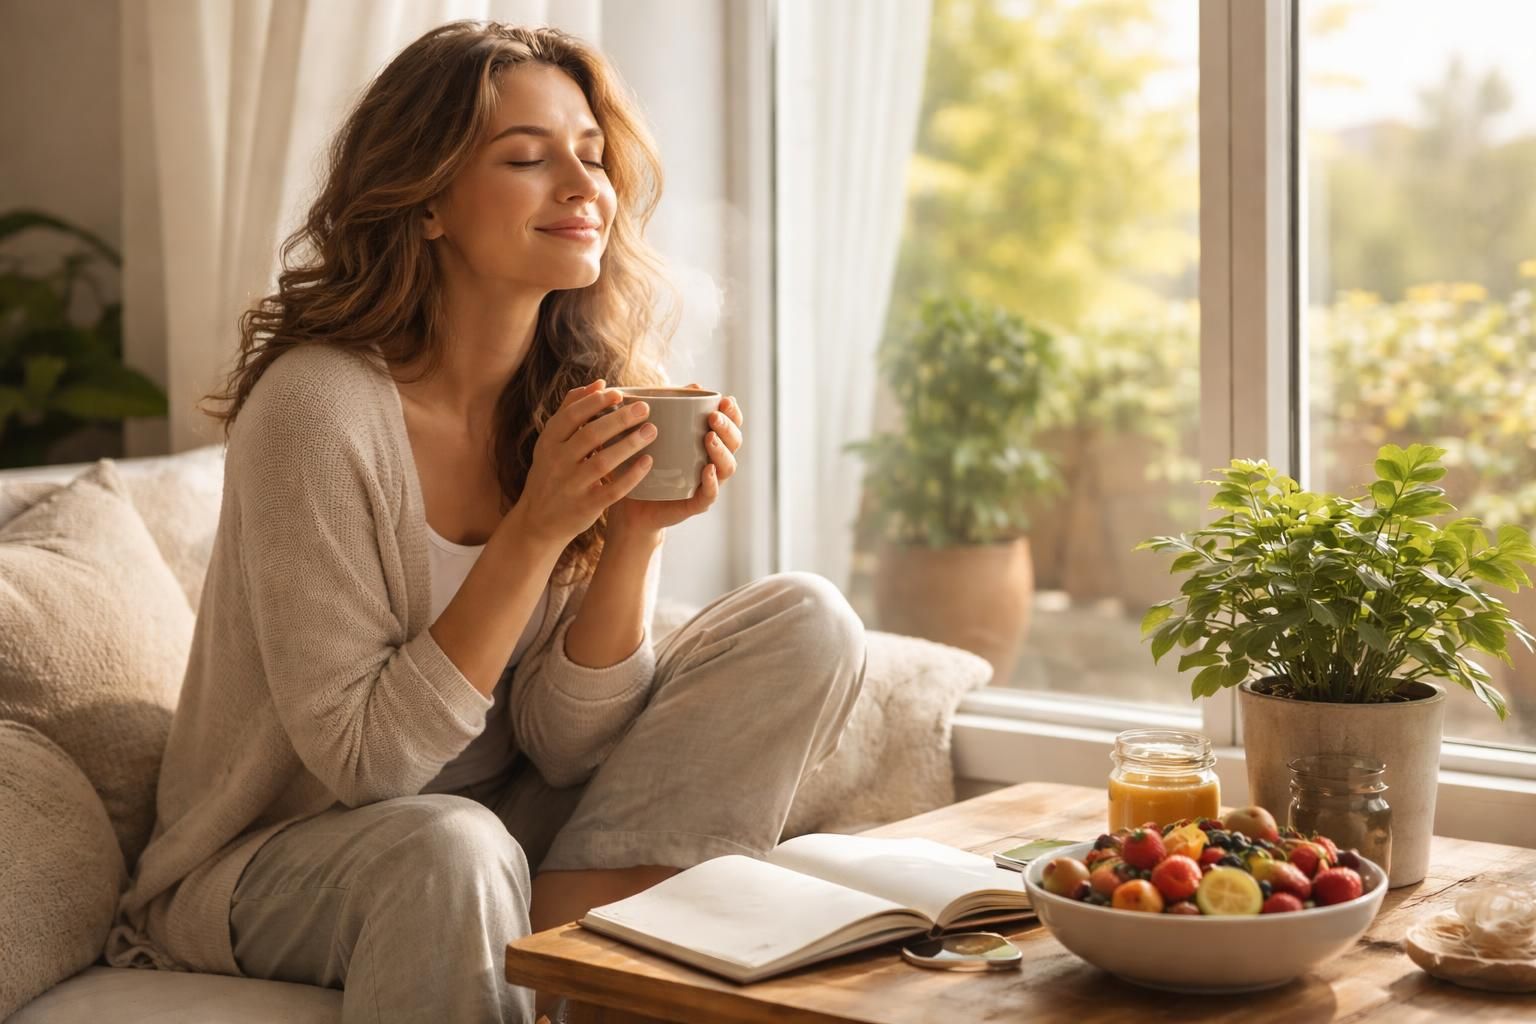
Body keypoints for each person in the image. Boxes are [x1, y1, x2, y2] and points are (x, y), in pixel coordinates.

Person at [103, 21, 866, 1024]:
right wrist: (537, 529)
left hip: (501, 822)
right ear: (426, 202)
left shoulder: (571, 396)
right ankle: (570, 960)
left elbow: (563, 745)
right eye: (527, 157)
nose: (584, 185)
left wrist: (633, 534)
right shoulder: (315, 408)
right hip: (284, 852)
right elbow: (368, 763)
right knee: (452, 845)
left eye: (592, 156)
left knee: (808, 619)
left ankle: (581, 959)